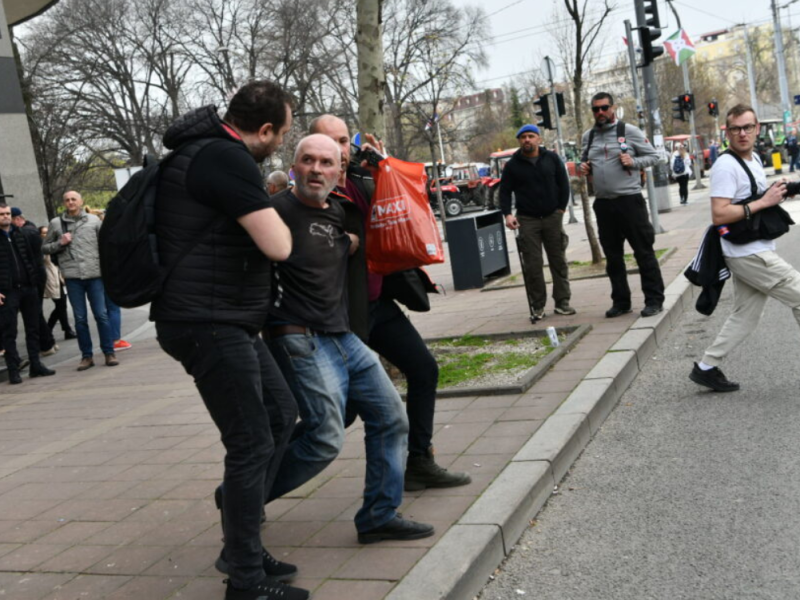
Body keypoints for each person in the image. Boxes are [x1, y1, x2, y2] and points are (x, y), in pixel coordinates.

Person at [151, 81, 307, 600]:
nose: (280, 146)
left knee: (280, 414)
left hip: (219, 318)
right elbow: (279, 245)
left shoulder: (202, 151)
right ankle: (245, 581)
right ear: (263, 130)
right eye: (282, 135)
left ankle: (245, 548)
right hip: (207, 320)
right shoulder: (226, 157)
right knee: (251, 440)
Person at [265, 134, 435, 544]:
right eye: (308, 160)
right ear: (294, 166)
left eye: (327, 162)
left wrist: (351, 241)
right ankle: (243, 497)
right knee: (325, 437)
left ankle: (378, 515)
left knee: (391, 418)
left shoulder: (339, 212)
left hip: (344, 336)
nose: (316, 169)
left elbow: (370, 221)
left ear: (339, 170)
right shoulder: (274, 212)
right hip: (300, 338)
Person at [309, 114, 471, 491]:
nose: (340, 150)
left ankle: (420, 461)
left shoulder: (363, 179)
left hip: (377, 303)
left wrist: (386, 169)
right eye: (330, 142)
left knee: (423, 369)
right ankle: (258, 479)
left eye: (344, 141)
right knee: (343, 413)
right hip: (341, 316)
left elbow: (407, 205)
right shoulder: (312, 192)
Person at [689, 104, 799, 393]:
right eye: (736, 128)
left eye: (747, 127)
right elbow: (720, 214)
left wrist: (776, 192)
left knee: (745, 316)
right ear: (727, 132)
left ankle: (706, 367)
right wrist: (763, 202)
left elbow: (750, 199)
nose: (742, 133)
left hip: (752, 249)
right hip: (748, 254)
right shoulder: (725, 166)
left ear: (757, 129)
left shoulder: (753, 159)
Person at [579, 91, 666, 318]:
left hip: (629, 202)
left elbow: (654, 156)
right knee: (613, 257)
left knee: (643, 252)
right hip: (603, 204)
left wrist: (634, 161)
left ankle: (654, 300)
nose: (600, 112)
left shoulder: (629, 131)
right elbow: (584, 161)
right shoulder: (588, 136)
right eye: (596, 109)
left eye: (604, 108)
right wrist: (584, 168)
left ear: (613, 108)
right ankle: (621, 302)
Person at [500, 123, 575, 322]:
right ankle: (538, 306)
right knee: (533, 266)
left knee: (558, 261)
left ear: (538, 139)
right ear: (519, 141)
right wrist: (507, 215)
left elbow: (563, 184)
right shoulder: (512, 165)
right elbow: (504, 192)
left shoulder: (552, 158)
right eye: (523, 137)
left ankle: (562, 302)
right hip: (527, 220)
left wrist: (560, 210)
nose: (527, 140)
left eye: (531, 136)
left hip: (552, 217)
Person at [43, 191, 118, 370]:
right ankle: (86, 357)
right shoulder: (56, 223)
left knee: (101, 315)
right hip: (72, 277)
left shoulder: (94, 221)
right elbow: (44, 248)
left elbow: (106, 244)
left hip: (95, 275)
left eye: (73, 199)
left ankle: (109, 353)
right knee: (80, 318)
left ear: (81, 201)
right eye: (67, 200)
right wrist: (60, 243)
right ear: (64, 203)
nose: (70, 202)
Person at [0, 202, 56, 384]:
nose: (5, 216)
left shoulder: (21, 235)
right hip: (7, 292)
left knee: (33, 328)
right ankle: (13, 369)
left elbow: (33, 259)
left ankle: (35, 365)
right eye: (1, 214)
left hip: (28, 288)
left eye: (7, 213)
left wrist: (35, 282)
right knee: (9, 331)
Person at [38, 225, 76, 341]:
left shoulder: (54, 244)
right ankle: (50, 329)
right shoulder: (42, 246)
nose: (46, 234)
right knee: (61, 305)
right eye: (44, 233)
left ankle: (66, 330)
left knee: (62, 305)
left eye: (47, 232)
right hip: (50, 278)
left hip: (59, 277)